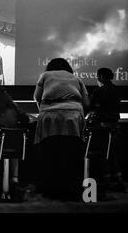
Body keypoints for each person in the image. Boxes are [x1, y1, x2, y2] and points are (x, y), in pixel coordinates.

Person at [33, 58, 89, 200]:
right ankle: (72, 189)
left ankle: (50, 189)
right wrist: (79, 115)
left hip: (49, 118)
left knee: (50, 152)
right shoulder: (76, 78)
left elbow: (37, 97)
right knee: (72, 152)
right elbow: (86, 102)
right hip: (73, 117)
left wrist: (43, 111)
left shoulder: (45, 76)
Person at [88, 67, 125, 192]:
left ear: (102, 77)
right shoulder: (117, 90)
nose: (97, 78)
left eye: (98, 76)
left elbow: (90, 106)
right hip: (115, 126)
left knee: (104, 154)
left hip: (102, 127)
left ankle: (107, 181)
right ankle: (118, 180)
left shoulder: (99, 91)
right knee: (112, 153)